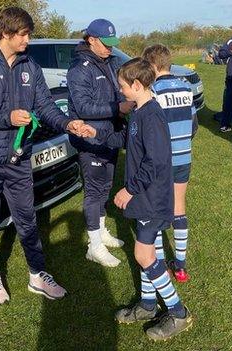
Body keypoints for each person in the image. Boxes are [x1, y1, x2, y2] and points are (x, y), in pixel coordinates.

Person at [0, 7, 85, 305]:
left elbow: (47, 107)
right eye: (23, 34)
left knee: (27, 218)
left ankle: (37, 274)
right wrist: (7, 118)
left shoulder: (31, 67)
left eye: (29, 34)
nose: (28, 40)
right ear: (5, 33)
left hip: (18, 158)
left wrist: (68, 123)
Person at [82, 58, 192, 341]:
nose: (120, 92)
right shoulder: (139, 112)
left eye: (122, 87)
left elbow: (155, 162)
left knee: (143, 255)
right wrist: (96, 133)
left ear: (137, 85)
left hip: (152, 198)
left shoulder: (152, 116)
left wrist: (129, 190)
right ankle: (146, 304)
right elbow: (128, 141)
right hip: (145, 198)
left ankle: (178, 313)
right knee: (150, 251)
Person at [66, 18, 135, 267]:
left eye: (112, 44)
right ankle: (93, 246)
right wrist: (118, 107)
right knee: (94, 191)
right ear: (91, 40)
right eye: (106, 44)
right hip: (91, 138)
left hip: (110, 135)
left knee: (105, 187)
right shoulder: (79, 69)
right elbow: (83, 106)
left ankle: (101, 231)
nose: (110, 48)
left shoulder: (107, 62)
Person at [142, 44, 195, 283]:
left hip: (163, 160)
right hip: (184, 155)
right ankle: (181, 266)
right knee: (179, 208)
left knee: (159, 211)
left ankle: (161, 263)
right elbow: (193, 123)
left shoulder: (153, 90)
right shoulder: (186, 86)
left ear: (152, 66)